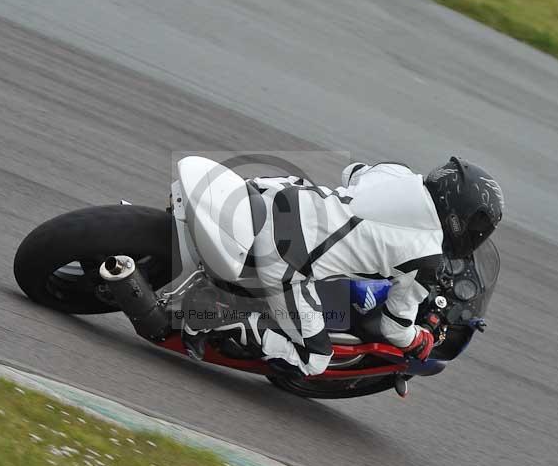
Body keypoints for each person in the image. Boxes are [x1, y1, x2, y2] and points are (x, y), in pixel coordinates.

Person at [182, 157, 504, 377]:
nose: (477, 234)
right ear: (458, 213)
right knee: (316, 359)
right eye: (477, 224)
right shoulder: (427, 256)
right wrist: (420, 340)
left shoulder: (399, 175)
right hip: (284, 255)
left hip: (277, 195)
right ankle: (219, 318)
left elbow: (353, 171)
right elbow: (394, 328)